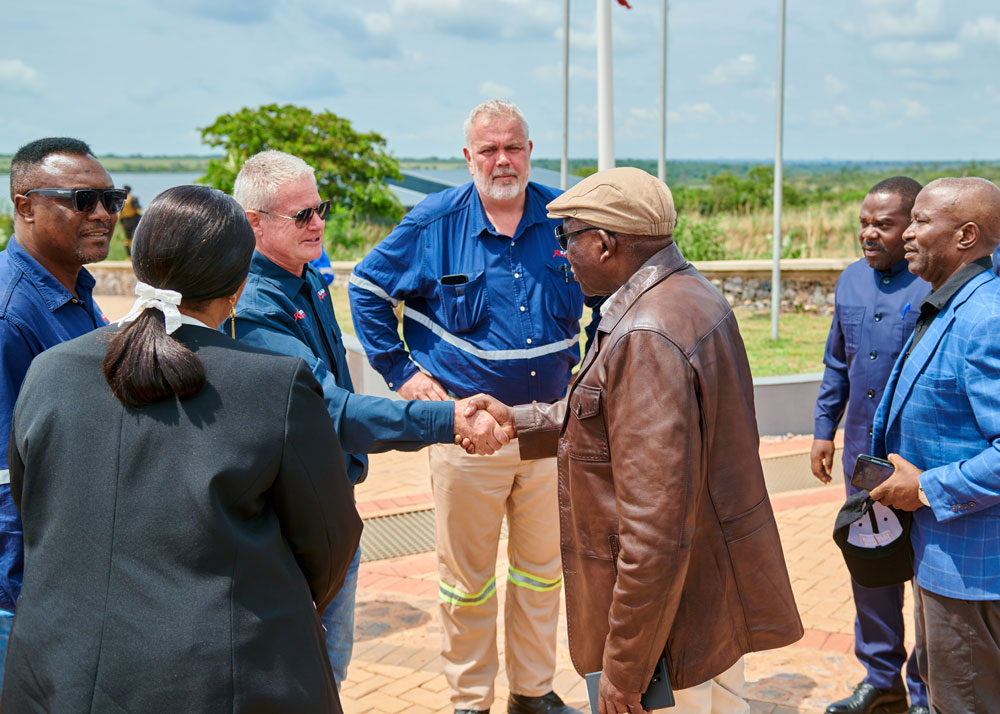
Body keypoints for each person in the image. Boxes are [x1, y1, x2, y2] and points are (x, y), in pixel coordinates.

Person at [2, 185, 363, 712]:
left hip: (59, 675)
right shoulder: (276, 386)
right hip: (228, 678)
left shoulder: (50, 370)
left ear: (138, 263)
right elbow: (330, 545)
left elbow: (34, 507)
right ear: (239, 286)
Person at [469, 167, 804, 714]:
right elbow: (616, 417)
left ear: (604, 243)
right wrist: (519, 419)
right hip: (704, 605)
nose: (563, 255)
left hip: (668, 638)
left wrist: (626, 668)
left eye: (567, 238)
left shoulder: (646, 332)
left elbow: (654, 531)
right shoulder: (692, 297)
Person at [229, 150, 509, 691]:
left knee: (331, 672)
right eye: (301, 215)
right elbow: (330, 412)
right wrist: (448, 417)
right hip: (294, 523)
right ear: (254, 224)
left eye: (321, 208)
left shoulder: (303, 277)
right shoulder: (258, 305)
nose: (319, 224)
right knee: (307, 680)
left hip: (332, 505)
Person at [350, 100, 595, 714]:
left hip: (550, 429)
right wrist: (402, 374)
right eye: (488, 150)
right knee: (467, 582)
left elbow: (611, 292)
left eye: (513, 146)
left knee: (542, 573)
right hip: (471, 435)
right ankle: (469, 699)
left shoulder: (567, 217)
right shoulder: (433, 224)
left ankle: (534, 691)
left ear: (530, 150)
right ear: (468, 157)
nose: (502, 160)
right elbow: (368, 289)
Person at [870, 177, 1000, 713]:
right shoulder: (953, 303)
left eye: (922, 221)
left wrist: (925, 487)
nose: (908, 234)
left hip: (972, 571)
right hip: (943, 557)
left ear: (966, 235)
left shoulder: (984, 318)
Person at [0, 137, 122, 681]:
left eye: (111, 199)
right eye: (80, 200)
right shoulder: (11, 317)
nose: (102, 214)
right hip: (28, 591)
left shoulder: (72, 289)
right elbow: (6, 479)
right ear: (24, 205)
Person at [810, 177, 929, 714]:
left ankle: (927, 690)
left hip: (924, 463)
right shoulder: (851, 282)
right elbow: (838, 362)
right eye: (864, 222)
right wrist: (822, 430)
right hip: (864, 460)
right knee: (871, 567)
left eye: (883, 223)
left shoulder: (936, 285)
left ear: (912, 228)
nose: (868, 233)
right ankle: (882, 680)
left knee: (930, 579)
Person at [119, 184, 142, 256]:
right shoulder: (133, 199)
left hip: (125, 221)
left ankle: (128, 256)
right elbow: (138, 210)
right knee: (135, 238)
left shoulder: (122, 200)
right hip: (134, 220)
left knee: (127, 239)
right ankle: (136, 255)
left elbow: (120, 214)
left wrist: (122, 223)